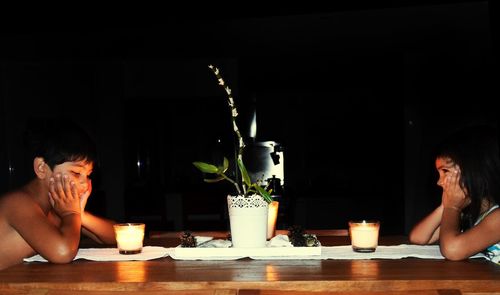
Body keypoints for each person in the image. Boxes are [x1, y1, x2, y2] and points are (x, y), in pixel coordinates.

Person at [0, 118, 116, 270]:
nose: (83, 183)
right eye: (76, 172)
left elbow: (117, 235)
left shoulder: (56, 210)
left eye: (88, 175)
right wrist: (71, 214)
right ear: (42, 168)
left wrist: (79, 214)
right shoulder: (18, 203)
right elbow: (62, 252)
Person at [409, 125, 500, 262]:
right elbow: (419, 238)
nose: (439, 182)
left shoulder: (497, 218)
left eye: (445, 171)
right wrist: (445, 206)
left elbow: (452, 250)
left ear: (473, 171)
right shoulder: (470, 212)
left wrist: (453, 208)